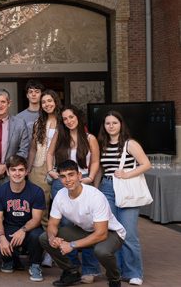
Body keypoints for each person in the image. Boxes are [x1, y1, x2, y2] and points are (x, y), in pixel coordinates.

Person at [39, 160, 126, 287]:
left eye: (71, 175)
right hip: (85, 230)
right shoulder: (60, 195)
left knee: (101, 251)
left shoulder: (95, 196)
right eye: (63, 176)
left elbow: (101, 234)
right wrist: (53, 238)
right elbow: (52, 224)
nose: (67, 180)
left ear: (79, 176)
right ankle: (71, 272)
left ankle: (114, 278)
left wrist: (72, 245)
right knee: (45, 238)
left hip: (110, 232)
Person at [46, 105, 101, 282]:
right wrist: (51, 170)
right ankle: (71, 267)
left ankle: (90, 269)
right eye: (65, 119)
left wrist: (90, 177)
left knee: (87, 226)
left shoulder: (90, 138)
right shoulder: (60, 135)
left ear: (78, 117)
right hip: (61, 183)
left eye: (71, 117)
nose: (69, 121)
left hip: (83, 181)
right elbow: (49, 154)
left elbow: (95, 161)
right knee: (65, 226)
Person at [97, 111, 151, 286]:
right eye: (107, 123)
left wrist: (127, 174)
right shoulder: (102, 144)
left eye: (114, 122)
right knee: (113, 232)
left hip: (126, 188)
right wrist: (96, 190)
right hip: (107, 188)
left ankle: (134, 272)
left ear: (121, 124)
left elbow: (146, 164)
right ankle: (117, 271)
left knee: (128, 233)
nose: (111, 126)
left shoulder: (130, 143)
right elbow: (101, 169)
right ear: (104, 126)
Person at [0, 155, 46, 282]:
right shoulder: (1, 191)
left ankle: (35, 265)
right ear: (7, 172)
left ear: (26, 172)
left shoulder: (37, 191)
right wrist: (2, 237)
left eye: (21, 170)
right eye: (13, 170)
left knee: (38, 236)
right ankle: (10, 260)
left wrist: (23, 230)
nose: (17, 173)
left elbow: (36, 219)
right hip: (10, 227)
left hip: (30, 229)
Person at [28, 90, 62, 267]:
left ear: (56, 101)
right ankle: (45, 251)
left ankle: (56, 249)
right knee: (42, 211)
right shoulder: (38, 122)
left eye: (50, 101)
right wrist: (29, 168)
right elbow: (33, 148)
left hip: (59, 168)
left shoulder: (64, 120)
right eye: (44, 102)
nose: (47, 104)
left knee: (58, 212)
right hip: (39, 168)